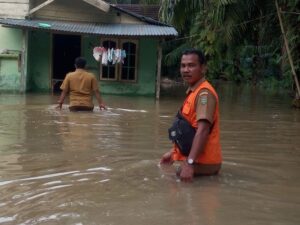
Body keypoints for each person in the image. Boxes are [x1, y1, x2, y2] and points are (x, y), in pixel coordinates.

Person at [160, 49, 222, 182]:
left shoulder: (204, 94)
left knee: (168, 181)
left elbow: (203, 130)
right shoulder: (193, 92)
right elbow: (189, 130)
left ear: (203, 68)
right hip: (197, 161)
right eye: (183, 66)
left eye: (191, 65)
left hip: (204, 163)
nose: (186, 70)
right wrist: (173, 154)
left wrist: (189, 163)